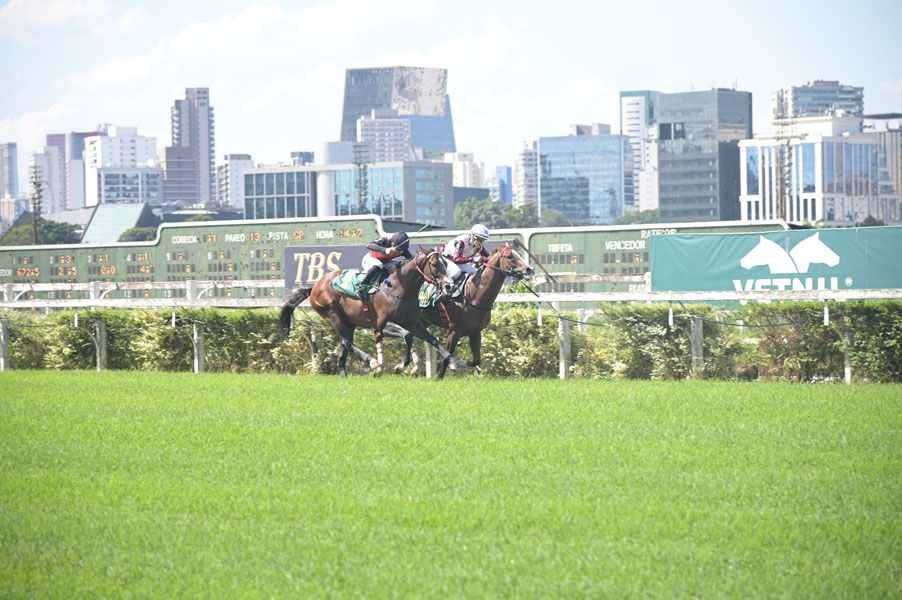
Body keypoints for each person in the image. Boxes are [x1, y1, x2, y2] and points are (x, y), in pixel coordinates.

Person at [356, 230, 412, 297]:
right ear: (393, 245)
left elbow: (412, 259)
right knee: (379, 264)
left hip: (385, 262)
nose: (401, 252)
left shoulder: (403, 250)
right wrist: (385, 250)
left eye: (403, 249)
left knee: (398, 266)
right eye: (399, 249)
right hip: (370, 259)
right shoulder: (385, 240)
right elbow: (369, 245)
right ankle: (362, 286)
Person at [440, 224, 490, 294]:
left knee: (474, 272)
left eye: (484, 240)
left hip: (456, 261)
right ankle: (442, 288)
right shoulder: (462, 241)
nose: (481, 242)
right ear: (473, 236)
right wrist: (473, 259)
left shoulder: (478, 246)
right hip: (446, 258)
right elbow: (456, 259)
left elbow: (489, 257)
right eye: (480, 239)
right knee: (456, 271)